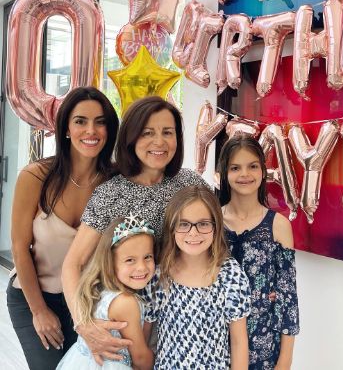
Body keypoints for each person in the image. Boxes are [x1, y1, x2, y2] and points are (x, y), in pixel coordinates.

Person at [62, 96, 208, 364]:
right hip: (129, 322)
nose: (159, 142)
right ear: (130, 138)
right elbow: (73, 263)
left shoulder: (189, 183)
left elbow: (215, 231)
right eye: (147, 133)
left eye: (168, 132)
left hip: (182, 319)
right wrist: (84, 324)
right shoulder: (111, 193)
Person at [7, 86, 119, 370]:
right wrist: (39, 311)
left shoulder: (117, 182)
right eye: (80, 121)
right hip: (34, 294)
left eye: (100, 121)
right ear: (66, 128)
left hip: (88, 301)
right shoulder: (35, 176)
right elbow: (20, 248)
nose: (90, 130)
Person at [143, 185, 251, 369]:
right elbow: (144, 337)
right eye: (184, 224)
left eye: (203, 223)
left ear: (216, 226)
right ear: (172, 227)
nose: (193, 233)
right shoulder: (160, 275)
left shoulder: (230, 274)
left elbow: (239, 342)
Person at [218, 135, 300, 370]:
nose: (245, 174)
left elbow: (287, 296)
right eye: (235, 167)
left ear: (263, 171)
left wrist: (285, 360)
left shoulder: (279, 225)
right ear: (225, 173)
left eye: (253, 166)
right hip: (215, 341)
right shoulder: (211, 221)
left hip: (264, 345)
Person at [57, 215, 155, 370]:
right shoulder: (125, 302)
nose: (142, 267)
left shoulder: (97, 288)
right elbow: (140, 357)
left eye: (148, 257)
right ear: (110, 262)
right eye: (130, 260)